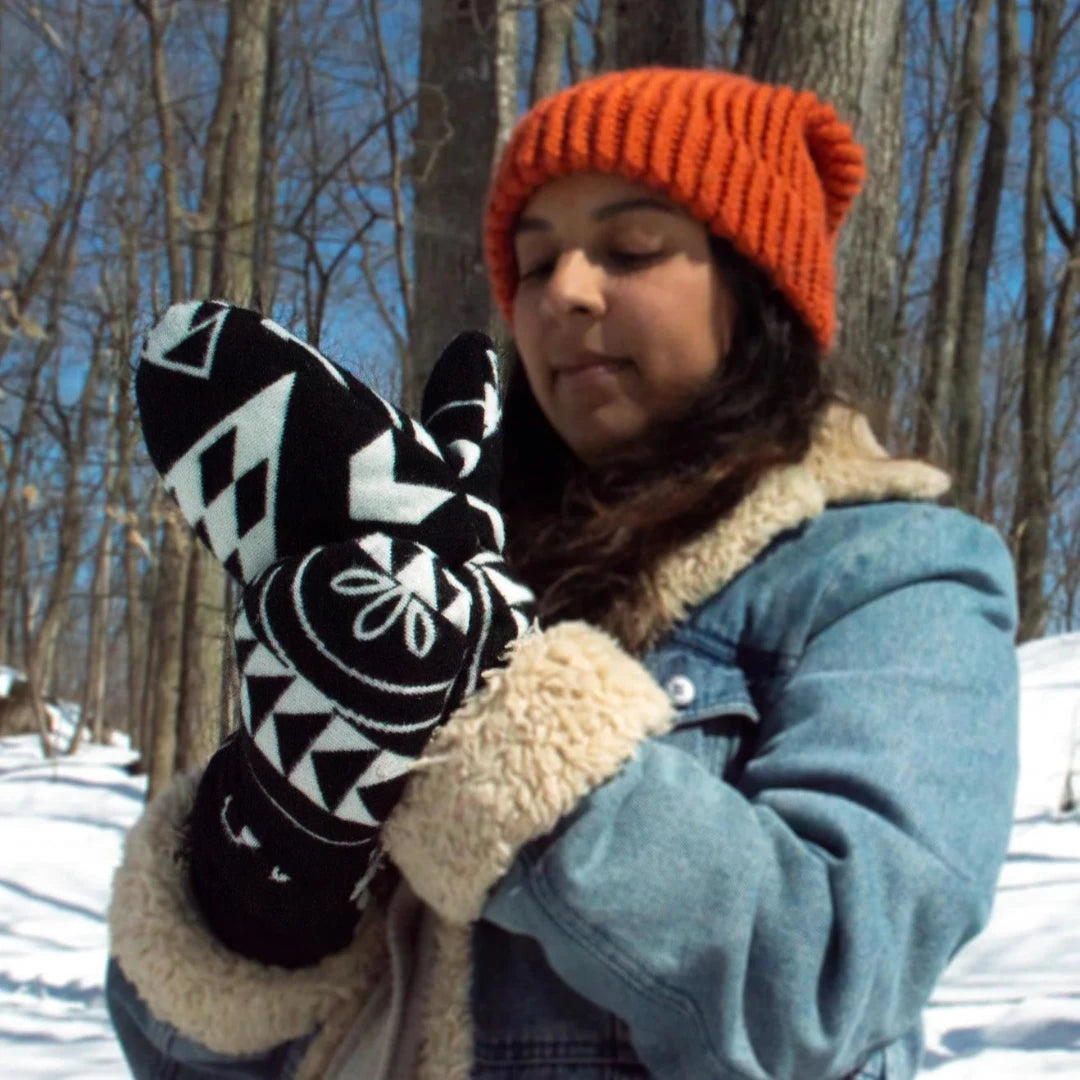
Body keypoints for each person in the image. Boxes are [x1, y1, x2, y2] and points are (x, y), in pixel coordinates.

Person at [105, 67, 1019, 1080]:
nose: (565, 293)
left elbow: (829, 982)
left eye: (630, 248)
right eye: (534, 267)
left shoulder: (895, 573)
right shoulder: (448, 562)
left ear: (756, 285)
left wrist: (487, 704)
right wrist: (267, 871)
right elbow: (190, 1051)